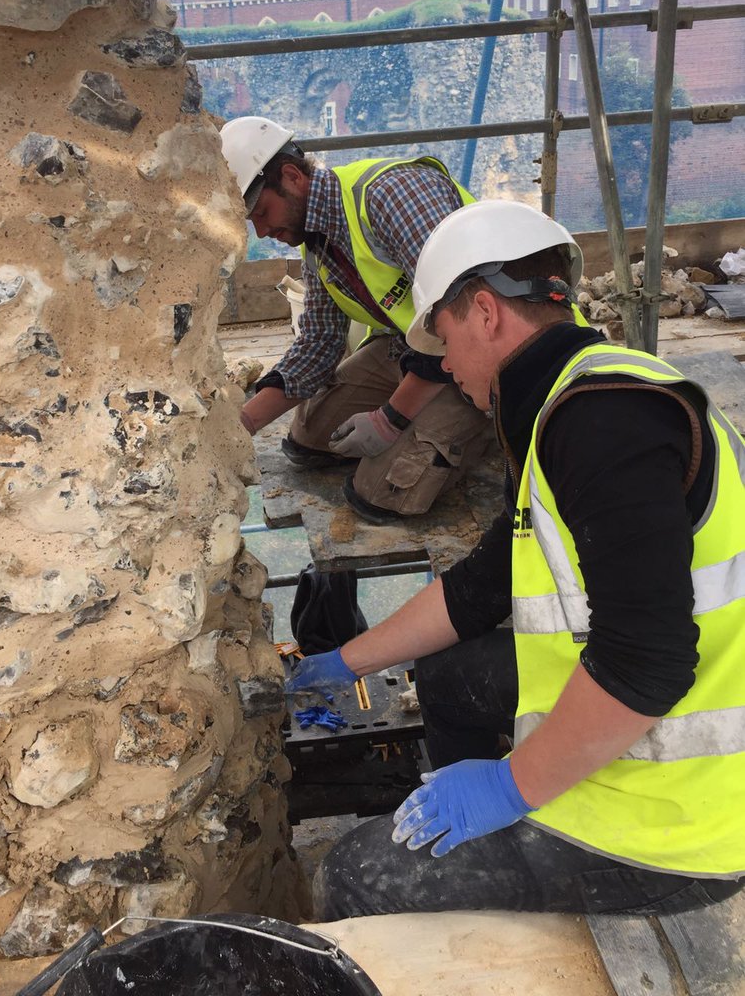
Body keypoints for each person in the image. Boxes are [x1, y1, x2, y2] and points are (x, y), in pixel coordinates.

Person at [287, 199, 745, 919]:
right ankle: (465, 832)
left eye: (443, 339)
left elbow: (646, 665)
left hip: (680, 811)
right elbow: (478, 589)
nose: (443, 364)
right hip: (656, 712)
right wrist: (344, 663)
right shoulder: (574, 400)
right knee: (447, 677)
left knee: (355, 879)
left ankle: (496, 854)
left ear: (485, 312)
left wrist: (510, 786)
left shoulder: (603, 422)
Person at [219, 115, 491, 524]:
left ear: (291, 177)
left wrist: (390, 419)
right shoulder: (317, 241)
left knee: (379, 493)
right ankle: (426, 417)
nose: (261, 231)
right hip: (412, 349)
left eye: (261, 212)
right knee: (309, 438)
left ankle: (488, 425)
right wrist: (242, 423)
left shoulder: (392, 196)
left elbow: (462, 318)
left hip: (485, 356)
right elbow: (319, 343)